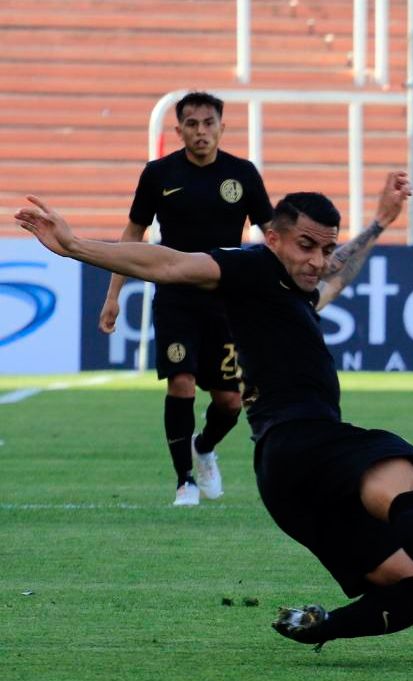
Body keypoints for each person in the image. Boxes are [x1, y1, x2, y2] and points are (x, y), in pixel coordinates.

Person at [15, 172, 413, 651]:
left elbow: (336, 275)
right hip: (301, 441)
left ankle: (320, 626)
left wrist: (381, 221)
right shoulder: (251, 268)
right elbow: (171, 263)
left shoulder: (295, 291)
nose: (318, 260)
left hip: (288, 480)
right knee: (398, 471)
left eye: (325, 248)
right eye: (306, 245)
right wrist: (75, 246)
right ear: (273, 238)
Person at [100, 91, 274, 507]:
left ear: (222, 128)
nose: (201, 132)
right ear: (178, 130)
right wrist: (113, 294)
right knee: (181, 382)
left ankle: (204, 447)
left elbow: (273, 235)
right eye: (192, 124)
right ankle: (184, 481)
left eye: (208, 123)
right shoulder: (159, 174)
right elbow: (133, 234)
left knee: (230, 401)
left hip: (226, 300)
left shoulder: (242, 174)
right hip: (175, 297)